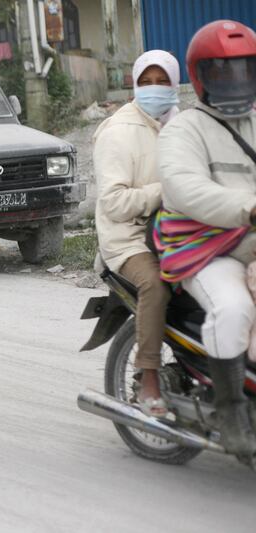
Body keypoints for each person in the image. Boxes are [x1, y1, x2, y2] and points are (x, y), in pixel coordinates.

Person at [156, 20, 256, 456]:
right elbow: (184, 189)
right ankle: (231, 409)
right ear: (200, 76)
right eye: (223, 71)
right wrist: (247, 206)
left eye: (245, 69)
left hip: (251, 242)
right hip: (206, 248)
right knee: (233, 309)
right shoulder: (185, 130)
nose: (236, 81)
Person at [93, 50, 181, 418]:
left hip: (178, 233)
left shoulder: (182, 124)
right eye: (147, 82)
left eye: (163, 82)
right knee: (156, 285)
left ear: (176, 84)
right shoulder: (117, 131)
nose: (155, 89)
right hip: (128, 240)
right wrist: (167, 190)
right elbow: (113, 203)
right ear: (134, 84)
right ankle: (148, 376)